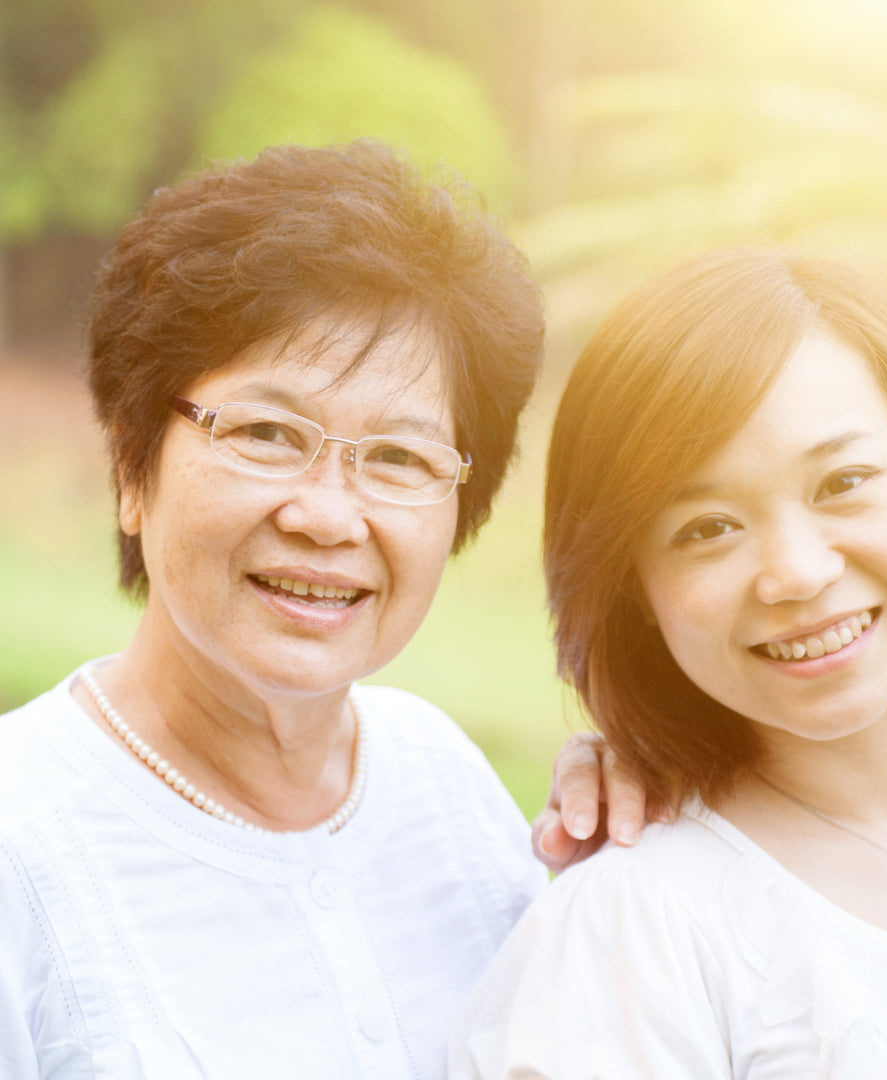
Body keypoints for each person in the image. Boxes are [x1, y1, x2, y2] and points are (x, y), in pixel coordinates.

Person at [0, 139, 646, 1079]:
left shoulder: (447, 786)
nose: (330, 516)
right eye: (266, 433)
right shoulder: (21, 839)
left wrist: (635, 857)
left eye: (399, 457)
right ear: (131, 467)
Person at [452, 247, 887, 1077]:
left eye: (844, 481)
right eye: (707, 528)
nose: (797, 573)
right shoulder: (633, 931)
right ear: (633, 589)